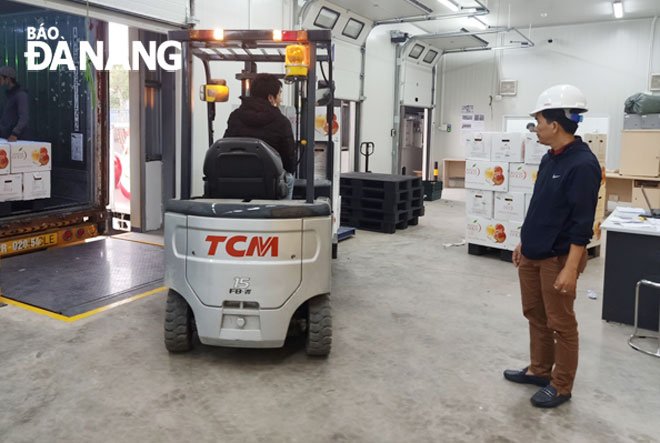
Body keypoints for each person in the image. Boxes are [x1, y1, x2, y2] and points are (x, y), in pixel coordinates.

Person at [504, 85, 601, 408]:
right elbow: (540, 206)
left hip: (558, 257)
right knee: (534, 313)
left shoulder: (583, 165)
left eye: (538, 121)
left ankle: (561, 386)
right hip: (533, 250)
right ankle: (540, 370)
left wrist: (572, 267)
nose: (535, 129)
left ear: (555, 124)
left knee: (561, 323)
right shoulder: (550, 158)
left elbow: (582, 223)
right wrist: (523, 241)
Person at [223, 73, 296, 199]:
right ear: (270, 98)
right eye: (279, 94)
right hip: (268, 186)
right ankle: (283, 211)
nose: (280, 99)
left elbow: (225, 147)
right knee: (289, 177)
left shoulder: (235, 116)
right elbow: (289, 163)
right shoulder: (281, 122)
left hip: (235, 181)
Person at [0, 66, 30, 142]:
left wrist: (15, 134)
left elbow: (24, 117)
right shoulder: (9, 95)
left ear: (8, 79)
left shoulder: (21, 94)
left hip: (17, 139)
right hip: (6, 136)